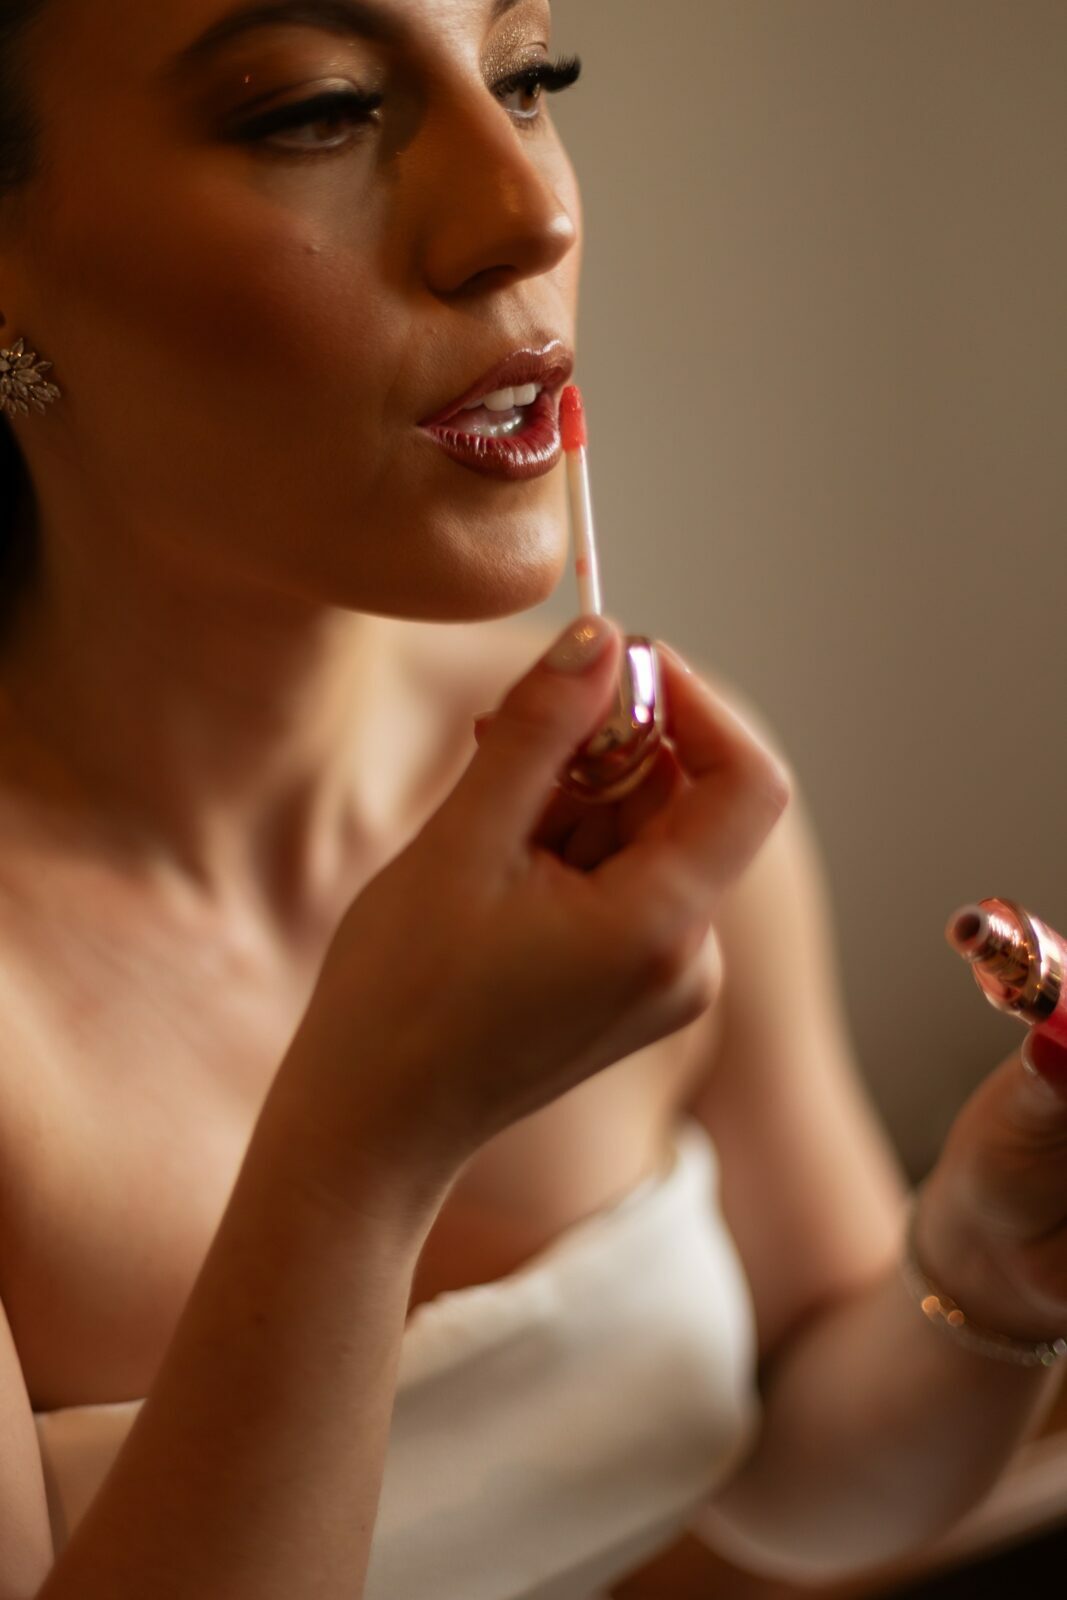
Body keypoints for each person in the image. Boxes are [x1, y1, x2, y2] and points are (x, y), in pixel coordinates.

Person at [0, 3, 1064, 1598]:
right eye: (315, 109)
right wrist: (365, 1153)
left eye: (525, 77)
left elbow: (803, 1485)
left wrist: (987, 1260)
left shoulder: (641, 805)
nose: (531, 212)